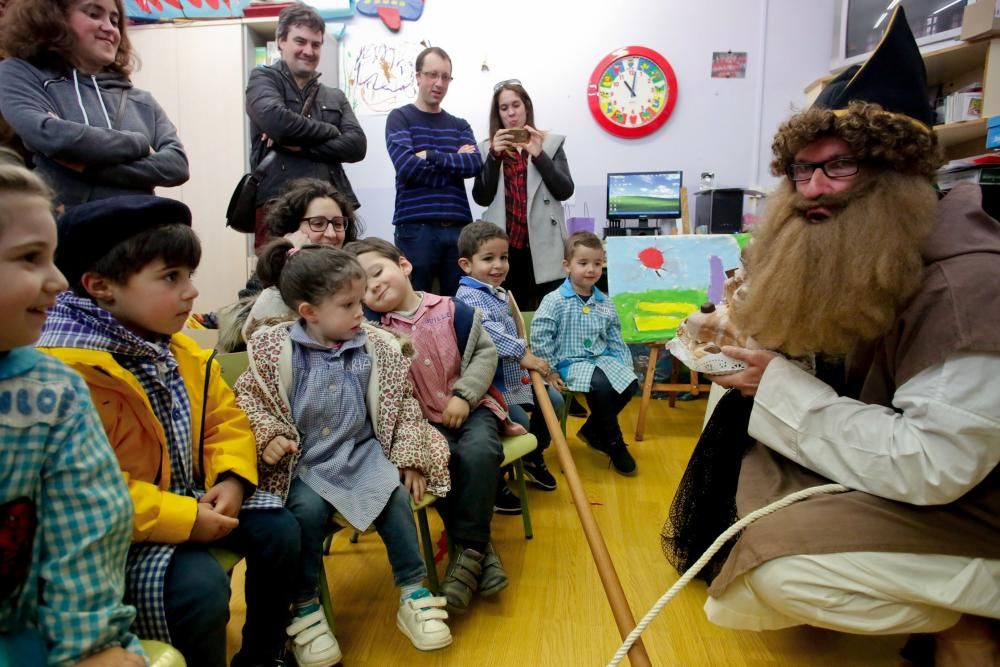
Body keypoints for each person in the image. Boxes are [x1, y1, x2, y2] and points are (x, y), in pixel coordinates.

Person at [669, 9, 1000, 666]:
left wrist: (776, 380)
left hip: (970, 503)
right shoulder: (873, 243)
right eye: (801, 168)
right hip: (896, 461)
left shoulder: (968, 286)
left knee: (773, 573)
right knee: (734, 441)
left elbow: (932, 466)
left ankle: (968, 614)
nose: (813, 188)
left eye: (839, 166)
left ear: (898, 174)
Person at [36, 196, 301, 667]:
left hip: (195, 500)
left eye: (189, 276)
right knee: (199, 589)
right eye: (170, 277)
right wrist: (184, 517)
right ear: (100, 286)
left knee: (280, 530)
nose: (191, 292)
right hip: (121, 536)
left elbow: (226, 419)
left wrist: (233, 480)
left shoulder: (178, 351)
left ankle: (262, 654)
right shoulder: (64, 371)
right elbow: (85, 494)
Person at [233, 242, 454, 664]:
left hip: (362, 453)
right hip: (307, 463)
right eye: (348, 304)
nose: (360, 312)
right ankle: (305, 607)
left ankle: (414, 591)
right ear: (309, 312)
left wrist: (408, 454)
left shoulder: (376, 347)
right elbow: (249, 403)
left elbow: (403, 404)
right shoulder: (274, 351)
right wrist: (270, 436)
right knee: (305, 514)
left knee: (394, 499)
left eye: (360, 302)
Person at [0, 164, 145, 667]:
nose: (56, 280)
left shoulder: (55, 392)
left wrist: (92, 645)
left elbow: (85, 528)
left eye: (53, 258)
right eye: (29, 258)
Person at [345, 237, 510, 615]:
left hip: (472, 409)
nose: (375, 286)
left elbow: (485, 353)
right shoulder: (373, 335)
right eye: (363, 287)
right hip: (422, 425)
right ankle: (479, 552)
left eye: (378, 272)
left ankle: (467, 553)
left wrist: (465, 395)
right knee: (447, 462)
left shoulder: (454, 309)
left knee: (481, 451)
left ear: (403, 265)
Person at [0, 0, 189, 210]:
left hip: (139, 233)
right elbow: (51, 136)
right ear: (54, 17)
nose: (109, 28)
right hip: (63, 231)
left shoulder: (142, 101)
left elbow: (176, 166)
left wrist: (86, 166)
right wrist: (139, 144)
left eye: (115, 21)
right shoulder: (19, 73)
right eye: (93, 14)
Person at [454, 221, 564, 514]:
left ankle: (532, 457)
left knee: (554, 402)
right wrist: (522, 354)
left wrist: (535, 363)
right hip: (494, 388)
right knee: (522, 429)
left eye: (503, 258)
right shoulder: (468, 297)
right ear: (466, 265)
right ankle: (496, 479)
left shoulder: (498, 292)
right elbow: (487, 330)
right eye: (488, 259)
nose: (498, 265)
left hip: (516, 380)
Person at [245, 2, 366, 251]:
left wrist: (300, 146)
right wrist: (331, 131)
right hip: (278, 206)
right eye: (300, 41)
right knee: (278, 280)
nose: (308, 51)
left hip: (332, 210)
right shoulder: (262, 79)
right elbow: (279, 124)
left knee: (336, 282)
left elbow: (356, 145)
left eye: (315, 44)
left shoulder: (335, 96)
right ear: (281, 40)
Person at [531, 232, 638, 476]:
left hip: (601, 359)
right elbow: (540, 338)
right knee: (600, 385)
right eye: (583, 263)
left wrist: (624, 365)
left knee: (629, 384)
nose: (591, 269)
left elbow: (614, 337)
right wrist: (550, 371)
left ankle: (592, 430)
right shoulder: (554, 300)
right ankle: (614, 442)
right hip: (569, 362)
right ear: (567, 266)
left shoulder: (605, 302)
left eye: (597, 263)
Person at [217, 177, 364, 351]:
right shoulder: (269, 274)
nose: (331, 234)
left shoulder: (358, 277)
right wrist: (291, 261)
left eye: (338, 224)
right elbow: (244, 338)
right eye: (318, 224)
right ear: (292, 229)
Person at [384, 46, 481, 296]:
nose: (439, 83)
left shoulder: (460, 125)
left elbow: (473, 165)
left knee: (459, 304)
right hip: (416, 228)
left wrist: (430, 155)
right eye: (432, 74)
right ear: (418, 76)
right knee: (415, 304)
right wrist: (453, 161)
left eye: (445, 77)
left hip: (459, 229)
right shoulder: (400, 118)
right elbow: (407, 167)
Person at [471, 80, 574, 311]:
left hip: (544, 243)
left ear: (526, 106)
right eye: (504, 108)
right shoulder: (488, 148)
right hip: (506, 247)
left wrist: (538, 154)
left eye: (515, 105)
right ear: (498, 114)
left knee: (550, 311)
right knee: (510, 313)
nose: (511, 113)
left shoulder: (550, 143)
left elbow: (565, 190)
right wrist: (494, 156)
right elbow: (481, 197)